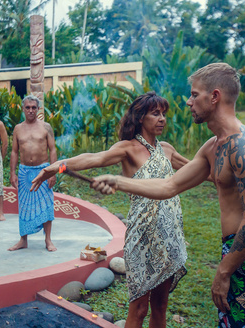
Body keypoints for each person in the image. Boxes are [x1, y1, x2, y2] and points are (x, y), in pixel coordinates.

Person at [92, 63, 245, 328]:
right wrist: (118, 181)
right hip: (236, 249)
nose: (189, 102)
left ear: (214, 96)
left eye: (194, 94)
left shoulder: (244, 145)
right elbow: (169, 186)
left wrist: (224, 271)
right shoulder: (213, 146)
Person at [31, 92, 190, 328]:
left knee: (160, 306)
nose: (162, 119)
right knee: (138, 309)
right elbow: (93, 158)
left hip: (169, 236)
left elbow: (198, 170)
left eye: (163, 114)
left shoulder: (167, 149)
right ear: (140, 117)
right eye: (155, 113)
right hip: (143, 236)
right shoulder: (128, 148)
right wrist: (55, 167)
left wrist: (228, 176)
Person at [8, 95, 58, 252]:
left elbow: (53, 149)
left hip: (43, 171)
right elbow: (14, 152)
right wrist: (12, 172)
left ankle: (48, 240)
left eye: (33, 107)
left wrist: (53, 172)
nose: (30, 110)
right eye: (27, 107)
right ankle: (23, 240)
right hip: (24, 173)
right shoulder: (17, 128)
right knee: (24, 206)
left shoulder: (46, 127)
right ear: (23, 109)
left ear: (38, 109)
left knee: (46, 205)